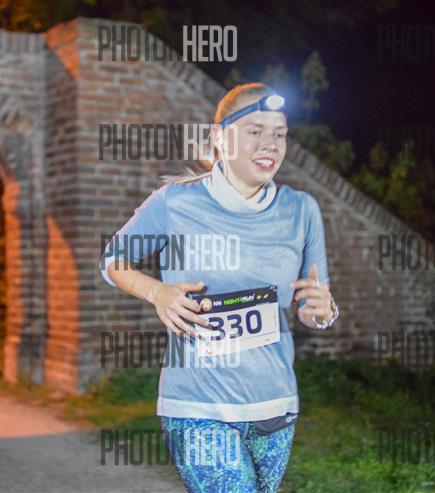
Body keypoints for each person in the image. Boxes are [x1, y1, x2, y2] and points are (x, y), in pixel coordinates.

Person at [100, 82, 338, 493]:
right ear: (219, 138)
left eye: (279, 134)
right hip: (196, 405)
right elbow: (113, 261)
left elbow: (313, 304)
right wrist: (158, 293)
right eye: (255, 131)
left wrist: (323, 311)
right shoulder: (175, 202)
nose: (270, 144)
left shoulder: (301, 210)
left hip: (275, 404)